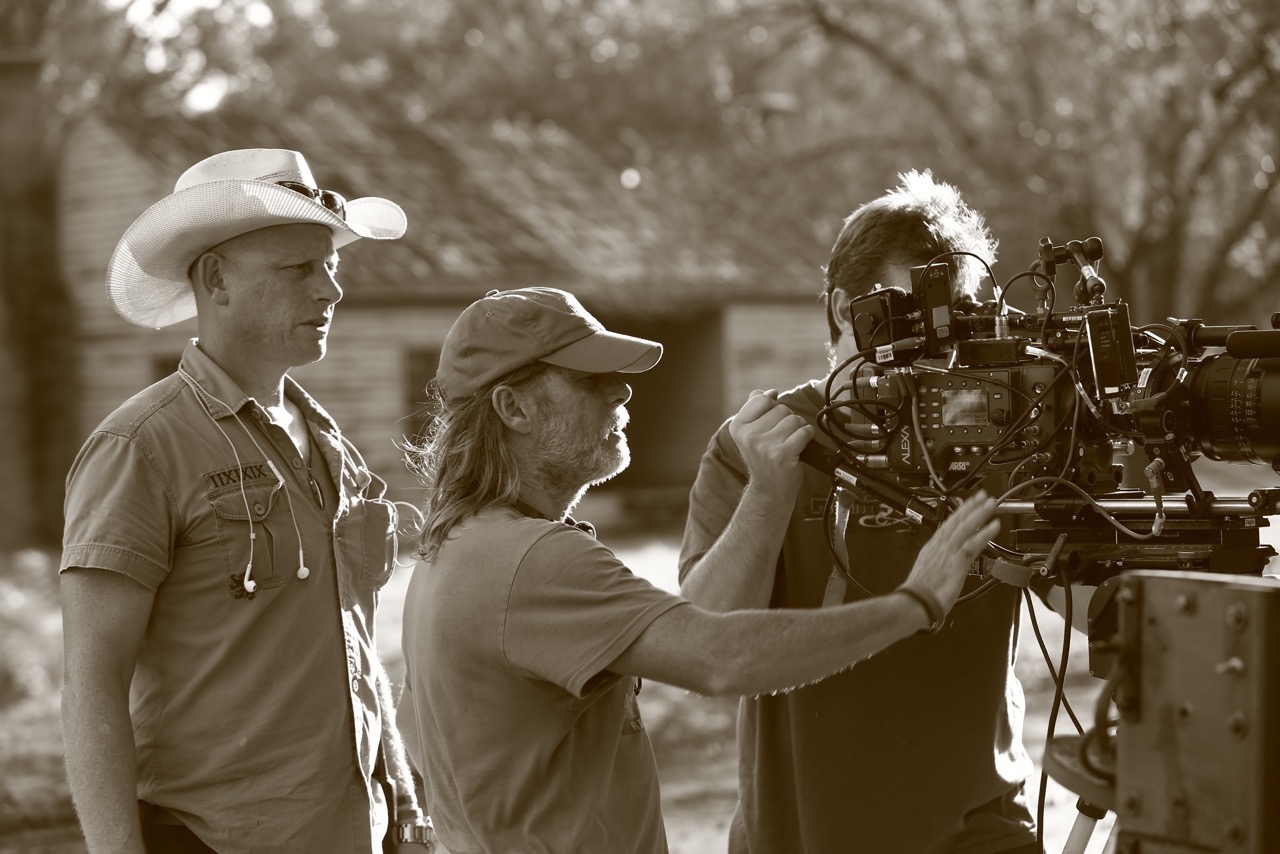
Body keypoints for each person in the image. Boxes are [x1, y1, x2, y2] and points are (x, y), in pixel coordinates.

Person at [394, 286, 1001, 853]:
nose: (621, 393)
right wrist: (917, 601)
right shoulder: (534, 558)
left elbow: (418, 742)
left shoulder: (450, 552)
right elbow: (722, 658)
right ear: (513, 408)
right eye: (590, 379)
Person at [60, 149, 438, 853]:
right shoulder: (140, 447)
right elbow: (91, 682)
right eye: (298, 269)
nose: (331, 290)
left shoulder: (330, 444)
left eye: (331, 265)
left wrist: (406, 810)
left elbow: (352, 647)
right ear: (216, 279)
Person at [679, 170, 1041, 853]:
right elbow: (705, 641)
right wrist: (768, 494)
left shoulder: (1008, 430)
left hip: (978, 829)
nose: (931, 348)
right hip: (799, 832)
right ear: (845, 310)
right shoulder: (758, 442)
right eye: (910, 317)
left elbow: (1102, 602)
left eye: (951, 321)